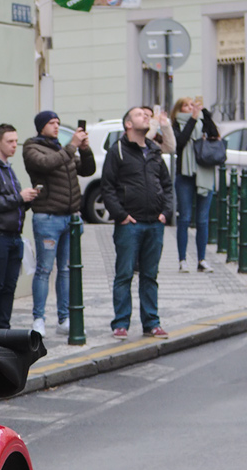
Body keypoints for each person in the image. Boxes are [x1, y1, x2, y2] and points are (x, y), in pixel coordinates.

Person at [101, 106, 174, 339]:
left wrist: (166, 211)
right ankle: (120, 323)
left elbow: (167, 184)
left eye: (146, 115)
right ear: (128, 124)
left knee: (150, 275)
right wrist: (121, 215)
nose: (146, 116)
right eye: (139, 114)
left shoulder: (154, 150)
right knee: (124, 274)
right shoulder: (118, 151)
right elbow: (107, 186)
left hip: (154, 222)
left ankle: (151, 322)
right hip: (129, 224)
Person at [22, 110, 95, 336]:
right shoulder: (32, 147)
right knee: (44, 270)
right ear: (41, 126)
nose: (56, 126)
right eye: (51, 123)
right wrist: (72, 146)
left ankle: (64, 319)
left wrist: (84, 149)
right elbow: (47, 164)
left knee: (65, 270)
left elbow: (87, 170)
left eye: (58, 122)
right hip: (48, 217)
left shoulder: (62, 148)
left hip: (71, 217)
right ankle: (39, 319)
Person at [0, 124, 38, 329]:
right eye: (10, 141)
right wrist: (19, 198)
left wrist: (27, 200)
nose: (14, 146)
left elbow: (10, 202)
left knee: (9, 286)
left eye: (15, 141)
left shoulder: (7, 168)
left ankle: (4, 328)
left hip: (13, 235)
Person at [170, 97, 220, 272]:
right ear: (179, 109)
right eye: (186, 105)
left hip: (204, 173)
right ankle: (182, 259)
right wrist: (192, 119)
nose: (190, 107)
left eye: (192, 104)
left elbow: (214, 135)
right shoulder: (175, 125)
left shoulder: (201, 121)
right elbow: (181, 142)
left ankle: (202, 260)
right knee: (184, 218)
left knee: (203, 220)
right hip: (184, 176)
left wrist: (204, 114)